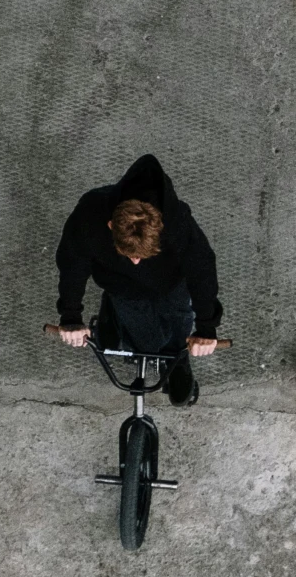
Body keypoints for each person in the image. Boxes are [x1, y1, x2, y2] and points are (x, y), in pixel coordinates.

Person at [55, 153, 222, 406]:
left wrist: (206, 328)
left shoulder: (178, 223)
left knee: (180, 322)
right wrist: (70, 317)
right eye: (129, 254)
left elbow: (202, 270)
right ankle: (112, 312)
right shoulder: (88, 216)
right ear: (111, 226)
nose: (135, 262)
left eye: (143, 256)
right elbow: (72, 265)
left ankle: (176, 359)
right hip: (119, 283)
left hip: (170, 280)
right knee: (147, 339)